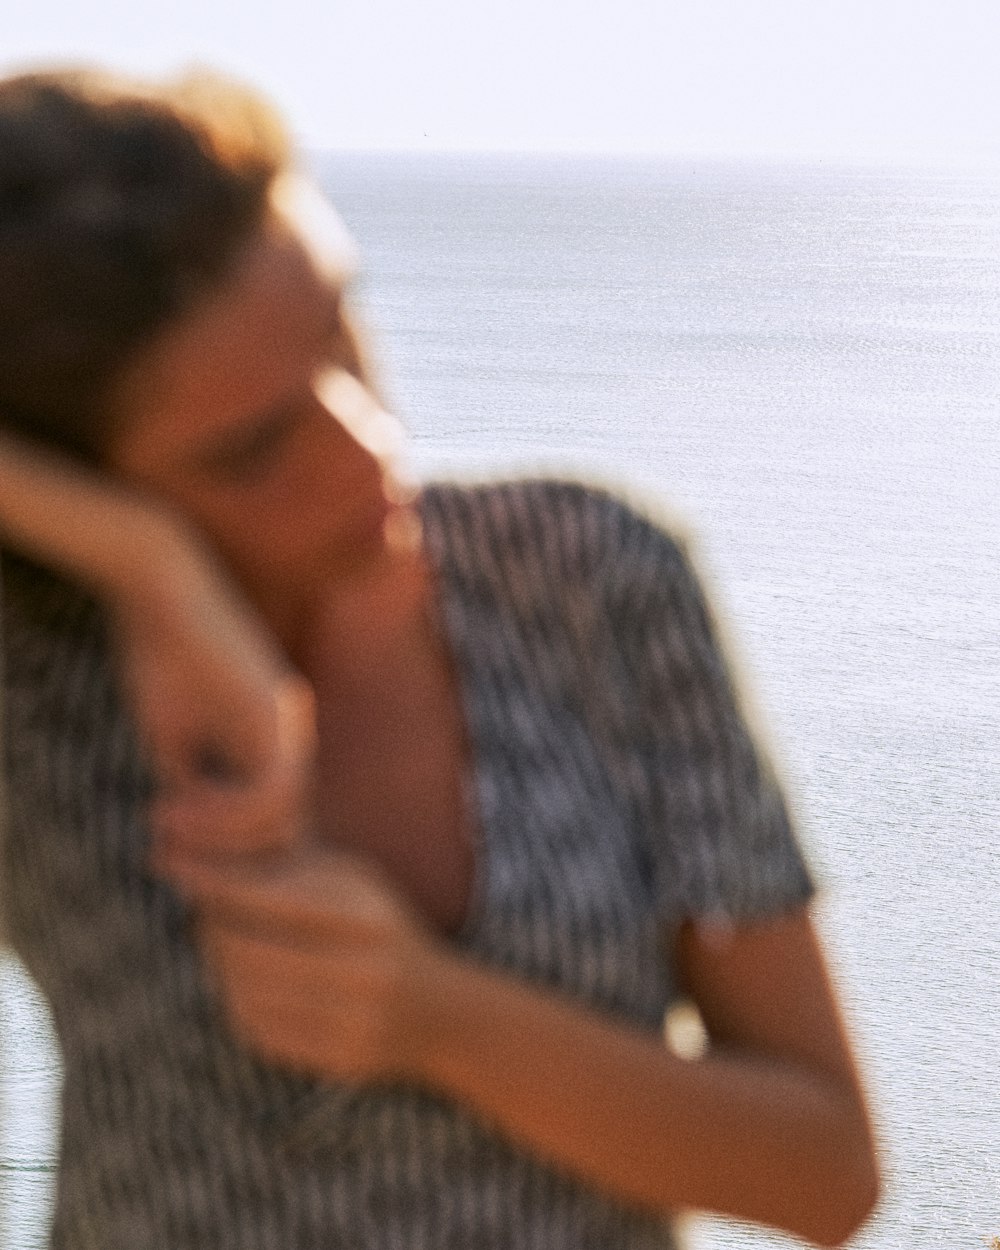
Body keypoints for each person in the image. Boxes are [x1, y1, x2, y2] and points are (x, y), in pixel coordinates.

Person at [0, 67, 880, 1249]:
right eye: (254, 448)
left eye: (338, 328)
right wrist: (147, 564)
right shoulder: (34, 678)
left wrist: (433, 1017)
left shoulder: (588, 583)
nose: (369, 448)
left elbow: (825, 1174)